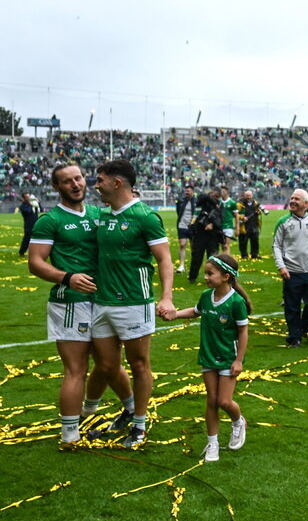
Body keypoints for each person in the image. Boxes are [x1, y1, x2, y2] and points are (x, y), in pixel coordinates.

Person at [28, 162, 134, 446]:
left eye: (78, 179)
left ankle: (131, 411)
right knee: (76, 369)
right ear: (56, 187)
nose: (75, 184)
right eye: (67, 181)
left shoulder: (100, 214)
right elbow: (35, 263)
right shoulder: (49, 220)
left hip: (105, 300)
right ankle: (70, 433)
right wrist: (67, 277)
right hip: (71, 303)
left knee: (110, 364)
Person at [89, 159, 176, 447]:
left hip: (134, 303)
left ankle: (139, 423)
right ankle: (128, 408)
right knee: (106, 365)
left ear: (117, 182)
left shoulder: (146, 216)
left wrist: (166, 297)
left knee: (139, 365)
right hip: (101, 302)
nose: (96, 184)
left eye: (100, 179)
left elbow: (164, 259)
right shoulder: (101, 215)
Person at [172, 253, 249, 462]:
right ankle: (213, 442)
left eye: (210, 273)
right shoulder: (206, 296)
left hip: (228, 357)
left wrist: (239, 360)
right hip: (207, 355)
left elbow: (243, 332)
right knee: (212, 401)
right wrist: (175, 314)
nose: (205, 277)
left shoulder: (236, 302)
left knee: (224, 401)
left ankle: (238, 421)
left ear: (225, 276)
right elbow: (196, 312)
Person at [273, 188, 308, 346]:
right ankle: (294, 337)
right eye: (292, 198)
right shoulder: (283, 222)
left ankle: (306, 327)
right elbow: (276, 246)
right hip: (291, 271)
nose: (292, 201)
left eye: (297, 199)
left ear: (306, 204)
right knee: (292, 305)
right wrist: (281, 266)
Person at [188, 190, 223, 282]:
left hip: (213, 234)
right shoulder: (203, 203)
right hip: (200, 233)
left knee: (213, 258)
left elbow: (220, 219)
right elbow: (203, 197)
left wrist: (212, 224)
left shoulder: (219, 205)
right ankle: (192, 277)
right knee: (197, 257)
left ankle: (212, 276)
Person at [237, 189, 264, 260]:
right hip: (244, 225)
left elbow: (259, 211)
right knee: (243, 242)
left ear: (252, 196)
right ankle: (244, 255)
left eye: (249, 195)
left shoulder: (255, 203)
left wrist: (258, 212)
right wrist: (242, 217)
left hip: (254, 224)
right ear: (244, 196)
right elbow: (235, 214)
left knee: (255, 241)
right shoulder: (240, 204)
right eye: (247, 195)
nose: (248, 197)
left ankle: (254, 254)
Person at [175, 184, 196, 273]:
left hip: (193, 226)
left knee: (193, 247)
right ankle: (181, 265)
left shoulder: (196, 201)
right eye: (186, 191)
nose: (186, 192)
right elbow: (178, 211)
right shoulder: (181, 200)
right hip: (182, 225)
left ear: (192, 192)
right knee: (182, 245)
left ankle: (193, 265)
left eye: (188, 191)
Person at [18, 191, 38, 256]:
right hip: (28, 225)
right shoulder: (23, 206)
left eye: (29, 196)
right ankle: (22, 252)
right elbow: (28, 211)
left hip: (36, 223)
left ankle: (35, 252)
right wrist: (31, 204)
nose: (28, 198)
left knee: (36, 239)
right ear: (24, 198)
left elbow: (40, 209)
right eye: (27, 197)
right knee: (27, 239)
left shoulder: (33, 204)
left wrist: (37, 202)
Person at [219, 185, 238, 252]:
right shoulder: (219, 202)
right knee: (222, 245)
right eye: (221, 191)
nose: (222, 193)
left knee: (226, 245)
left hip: (228, 226)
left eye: (223, 191)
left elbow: (236, 216)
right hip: (220, 226)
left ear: (227, 192)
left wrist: (237, 228)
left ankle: (227, 260)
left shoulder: (232, 203)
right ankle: (224, 259)